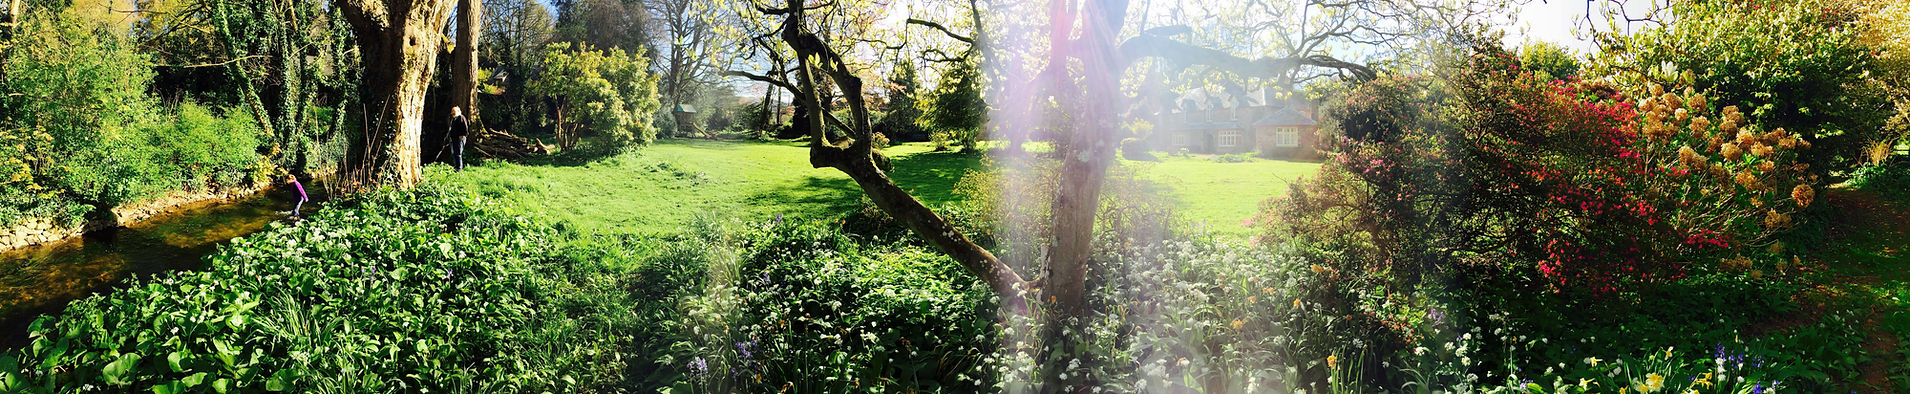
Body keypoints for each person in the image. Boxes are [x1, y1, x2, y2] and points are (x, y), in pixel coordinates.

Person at [449, 106, 469, 172]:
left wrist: (463, 135)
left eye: (454, 111)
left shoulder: (461, 117)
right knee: (454, 153)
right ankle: (456, 166)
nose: (452, 112)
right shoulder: (454, 119)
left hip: (460, 138)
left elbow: (465, 127)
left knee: (458, 153)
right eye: (452, 111)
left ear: (458, 111)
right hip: (454, 138)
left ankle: (459, 168)